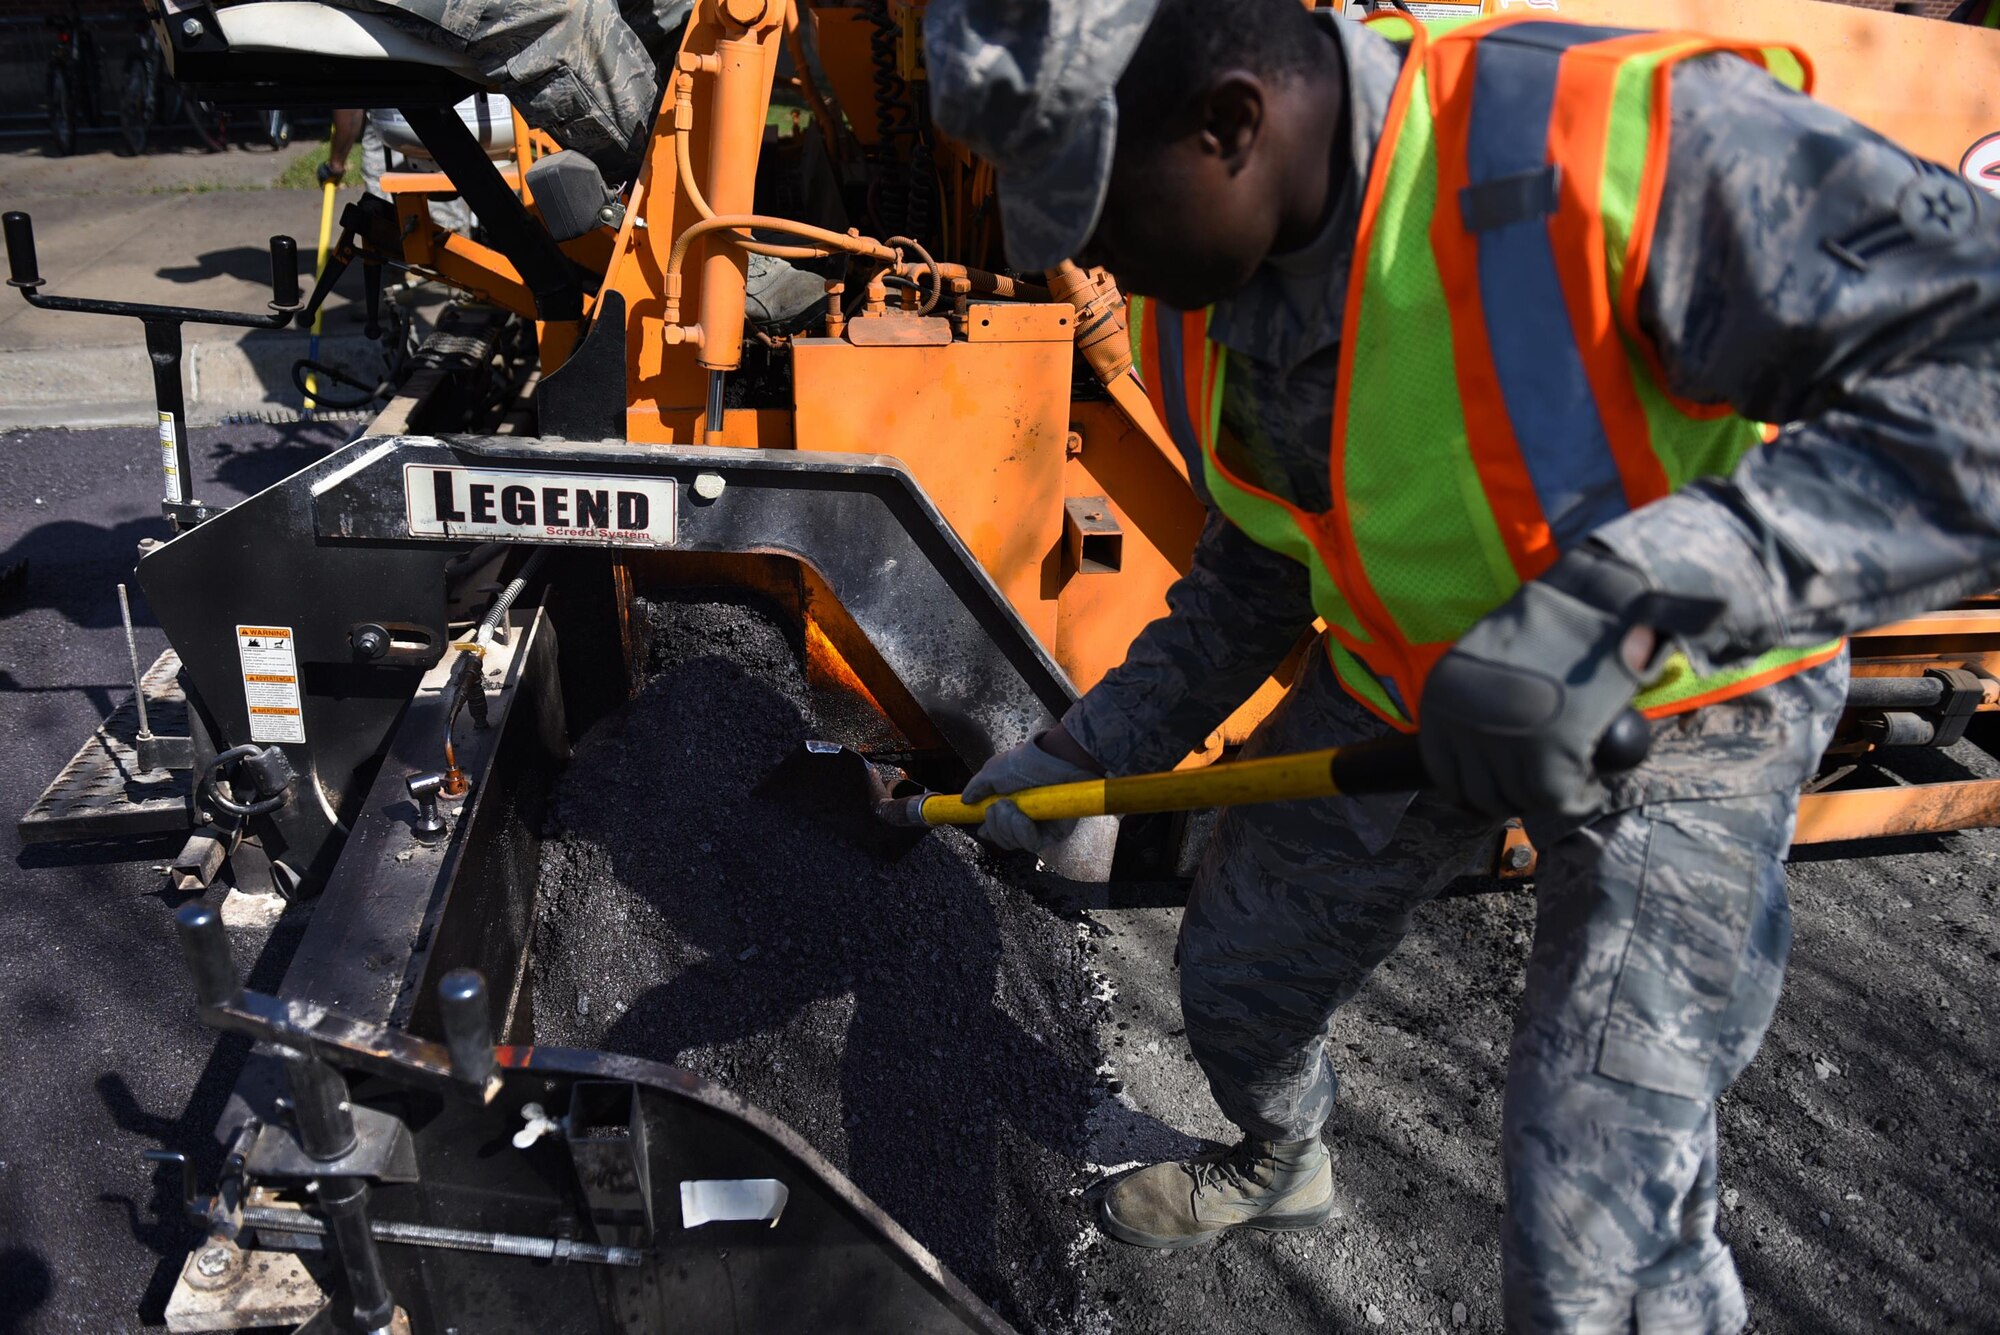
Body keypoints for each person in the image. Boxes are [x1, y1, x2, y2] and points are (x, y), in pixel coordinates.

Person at [925, 0, 2000, 1329]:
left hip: (1688, 712)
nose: (1088, 262)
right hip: (1408, 692)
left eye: (1094, 208)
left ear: (1232, 123)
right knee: (1239, 978)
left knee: (1595, 1248)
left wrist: (1624, 596)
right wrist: (1093, 745)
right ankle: (1280, 1165)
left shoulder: (1600, 146)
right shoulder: (1189, 307)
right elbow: (1260, 565)